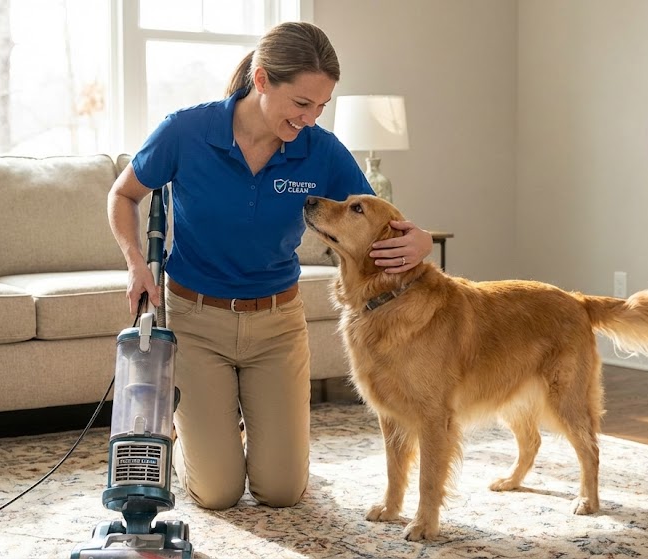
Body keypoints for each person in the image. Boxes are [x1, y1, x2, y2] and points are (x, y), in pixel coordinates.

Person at [107, 21, 433, 511]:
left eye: (320, 107)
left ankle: (243, 437)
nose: (309, 118)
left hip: (278, 324)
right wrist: (136, 263)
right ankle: (195, 442)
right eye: (301, 104)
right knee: (217, 493)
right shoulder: (187, 131)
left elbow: (378, 217)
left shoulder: (319, 149)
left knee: (280, 492)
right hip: (197, 322)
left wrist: (421, 239)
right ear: (261, 81)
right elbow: (124, 194)